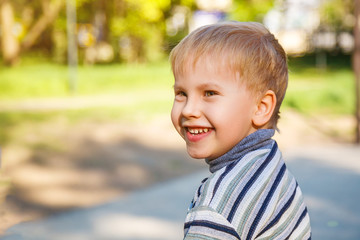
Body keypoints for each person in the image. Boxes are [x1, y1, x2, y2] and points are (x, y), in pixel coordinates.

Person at [169, 21, 311, 240]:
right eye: (181, 93)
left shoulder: (217, 207)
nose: (188, 110)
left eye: (209, 93)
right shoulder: (269, 161)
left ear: (261, 107)